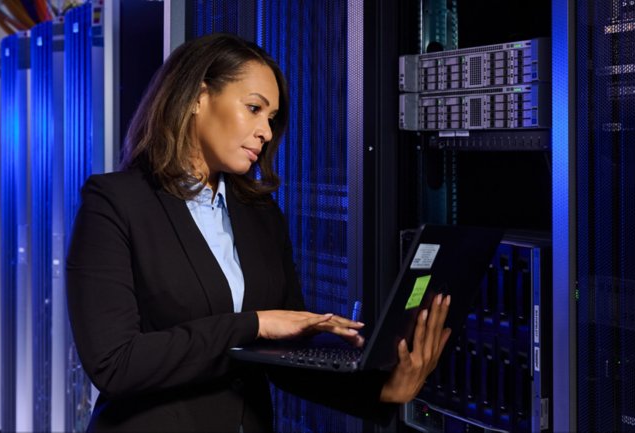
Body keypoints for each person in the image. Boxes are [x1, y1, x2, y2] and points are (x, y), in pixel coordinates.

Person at [66, 32, 452, 433]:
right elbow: (116, 364)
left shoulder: (260, 214)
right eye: (254, 109)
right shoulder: (115, 203)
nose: (266, 132)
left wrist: (383, 389)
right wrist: (253, 324)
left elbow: (283, 357)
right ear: (198, 97)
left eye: (270, 119)